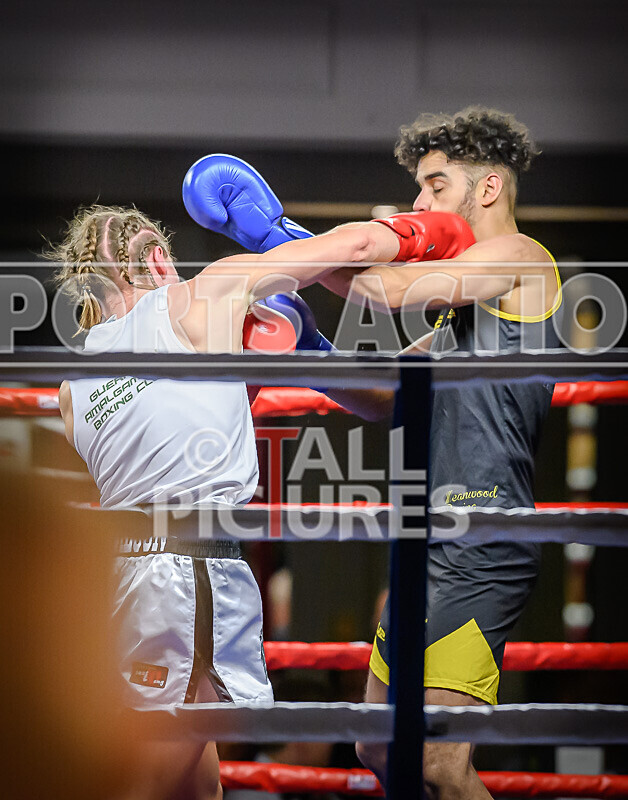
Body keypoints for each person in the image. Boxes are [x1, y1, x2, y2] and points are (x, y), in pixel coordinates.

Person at [181, 106, 562, 799]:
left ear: (487, 188)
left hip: (483, 536)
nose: (421, 201)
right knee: (380, 747)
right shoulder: (462, 316)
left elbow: (385, 290)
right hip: (429, 539)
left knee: (437, 766)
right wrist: (312, 351)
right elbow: (386, 395)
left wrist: (275, 239)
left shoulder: (521, 259)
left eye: (436, 185)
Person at [46, 201, 474, 799]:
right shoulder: (207, 292)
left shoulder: (72, 387)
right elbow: (353, 247)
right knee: (147, 780)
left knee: (199, 785)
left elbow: (172, 432)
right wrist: (424, 236)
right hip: (188, 574)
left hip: (127, 578)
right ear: (160, 258)